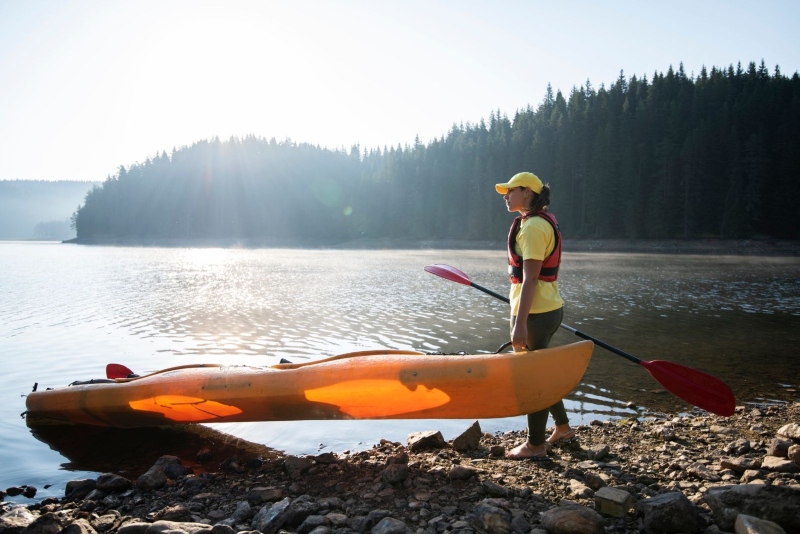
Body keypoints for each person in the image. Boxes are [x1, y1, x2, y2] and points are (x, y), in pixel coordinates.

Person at [494, 171, 576, 460]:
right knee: (542, 371)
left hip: (536, 314)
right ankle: (563, 428)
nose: (506, 196)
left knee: (533, 378)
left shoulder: (531, 228)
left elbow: (529, 280)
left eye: (511, 190)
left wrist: (519, 324)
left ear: (527, 192)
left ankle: (535, 445)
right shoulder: (538, 222)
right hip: (547, 308)